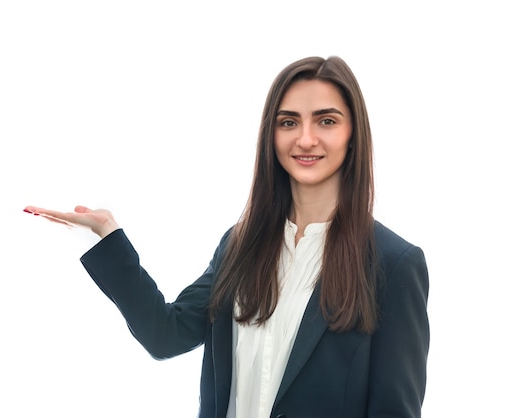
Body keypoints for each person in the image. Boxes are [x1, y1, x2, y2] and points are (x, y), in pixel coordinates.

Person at [24, 56, 430, 418]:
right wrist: (107, 236)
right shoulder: (241, 244)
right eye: (288, 122)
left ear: (353, 133)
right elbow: (166, 335)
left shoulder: (394, 265)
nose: (305, 139)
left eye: (326, 120)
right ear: (271, 136)